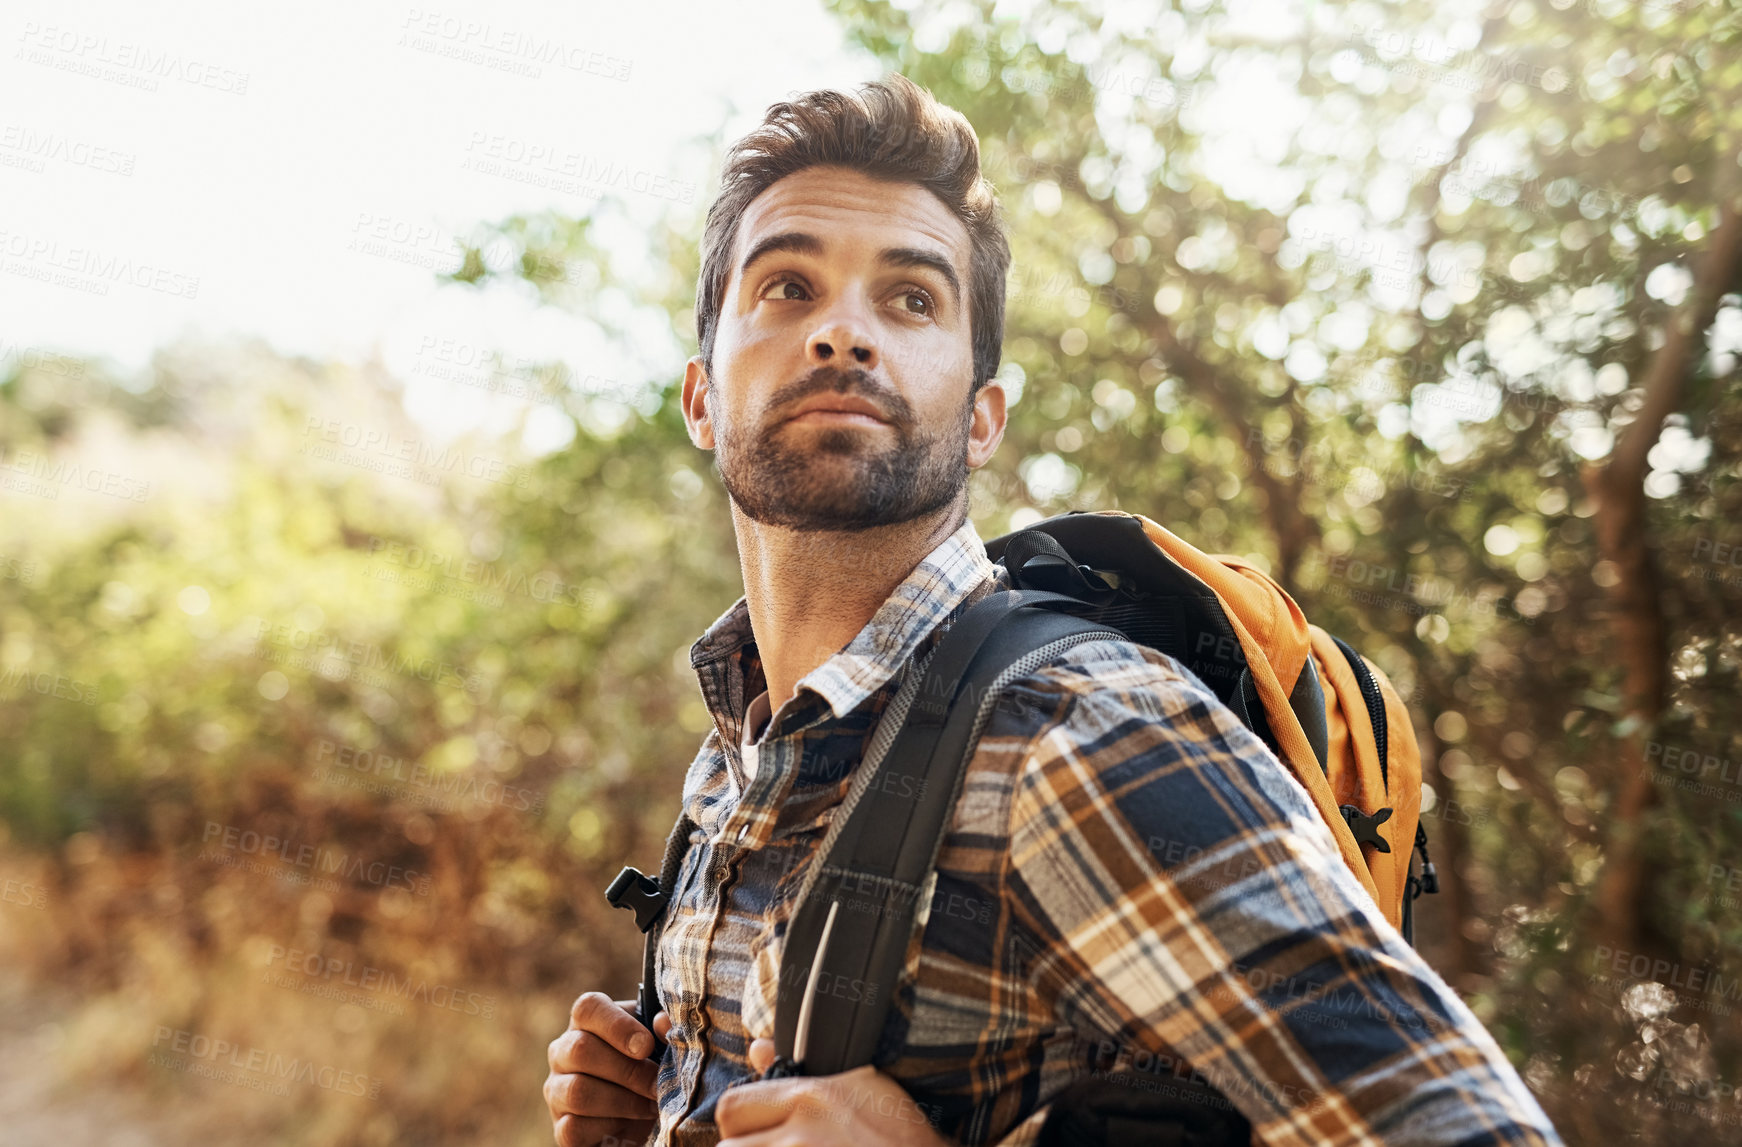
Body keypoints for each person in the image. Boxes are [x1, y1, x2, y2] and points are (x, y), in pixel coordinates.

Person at [545, 74, 1563, 1147]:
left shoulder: (1082, 732)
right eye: (787, 288)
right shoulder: (738, 750)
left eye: (910, 299)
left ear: (980, 418)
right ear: (702, 398)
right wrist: (660, 1106)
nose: (842, 333)